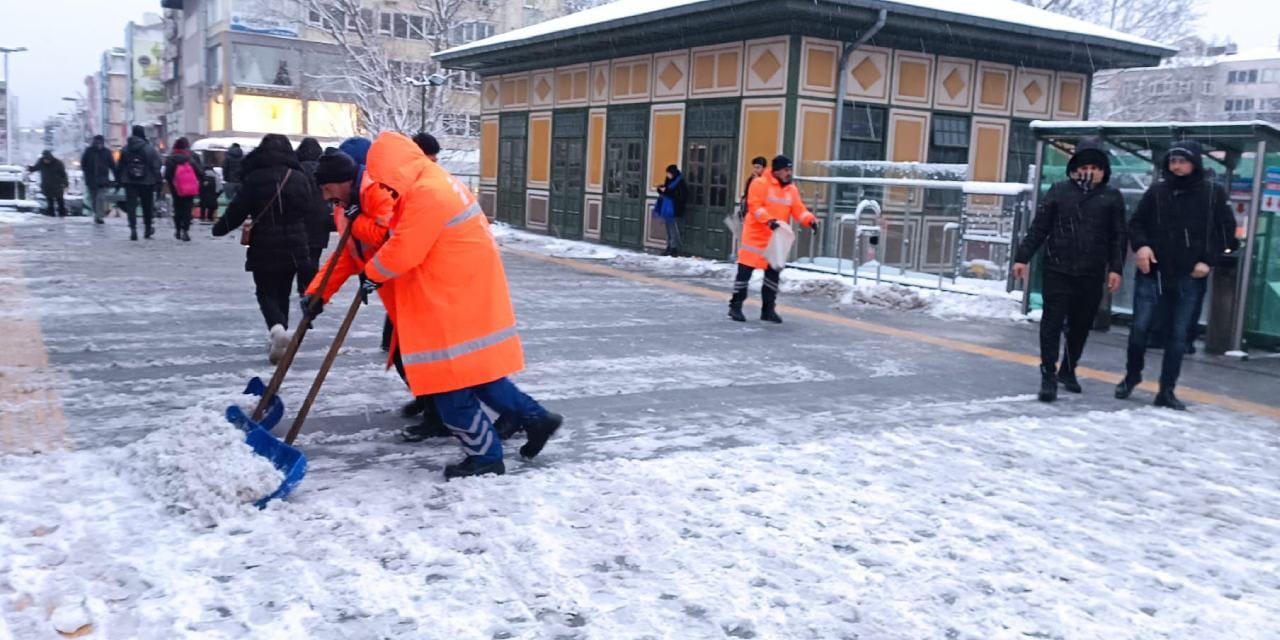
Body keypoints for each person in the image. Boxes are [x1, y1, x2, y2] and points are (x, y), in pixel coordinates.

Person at [358, 131, 562, 479]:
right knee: (477, 375)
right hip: (460, 290)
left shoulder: (427, 192)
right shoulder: (432, 182)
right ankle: (536, 418)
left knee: (447, 384)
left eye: (384, 180)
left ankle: (485, 457)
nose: (385, 188)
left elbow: (405, 247)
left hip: (448, 297)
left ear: (394, 168)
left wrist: (373, 273)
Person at [1115, 140, 1237, 410]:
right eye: (1172, 161)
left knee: (1179, 335)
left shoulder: (1212, 194)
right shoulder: (1157, 192)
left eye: (1182, 161)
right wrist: (1142, 246)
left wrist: (1209, 260)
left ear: (1195, 163)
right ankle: (1132, 374)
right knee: (1139, 329)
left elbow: (1227, 232)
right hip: (1153, 271)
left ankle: (1166, 390)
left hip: (1190, 274)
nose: (1177, 166)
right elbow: (1136, 223)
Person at [1012, 139, 1126, 402]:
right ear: (1074, 169)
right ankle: (1048, 375)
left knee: (1081, 326)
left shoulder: (1111, 197)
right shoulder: (1060, 191)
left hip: (1092, 271)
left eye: (1095, 167)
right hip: (1058, 267)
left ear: (1103, 171)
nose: (1090, 172)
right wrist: (1022, 257)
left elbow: (1118, 236)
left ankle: (1069, 369)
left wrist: (1115, 268)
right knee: (1051, 323)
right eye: (1084, 166)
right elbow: (1040, 226)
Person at [212, 134, 326, 364]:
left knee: (265, 291)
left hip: (264, 244)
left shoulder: (254, 178)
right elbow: (312, 210)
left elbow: (237, 210)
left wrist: (219, 229)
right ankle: (280, 331)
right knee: (282, 290)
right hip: (295, 245)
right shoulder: (299, 177)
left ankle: (276, 329)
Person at [729, 155, 818, 324]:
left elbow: (799, 209)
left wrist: (810, 220)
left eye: (790, 170)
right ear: (776, 170)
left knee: (772, 277)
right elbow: (754, 206)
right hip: (755, 237)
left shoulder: (791, 190)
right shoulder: (760, 183)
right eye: (786, 170)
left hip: (776, 239)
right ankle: (736, 306)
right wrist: (769, 220)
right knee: (744, 274)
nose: (789, 173)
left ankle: (768, 310)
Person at [293, 137, 331, 299]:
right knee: (315, 254)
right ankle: (312, 287)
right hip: (321, 217)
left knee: (302, 253)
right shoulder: (324, 169)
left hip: (301, 216)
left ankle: (302, 286)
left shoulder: (297, 170)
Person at [117, 125, 163, 241]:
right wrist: (158, 181)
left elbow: (120, 166)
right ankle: (147, 229)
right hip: (147, 181)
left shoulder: (126, 148)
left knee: (131, 206)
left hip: (130, 181)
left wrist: (119, 180)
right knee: (147, 206)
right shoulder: (149, 148)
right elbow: (156, 166)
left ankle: (133, 229)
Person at [163, 137, 203, 241]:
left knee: (177, 208)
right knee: (187, 209)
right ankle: (186, 230)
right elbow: (200, 172)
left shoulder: (171, 158)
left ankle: (177, 230)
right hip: (189, 189)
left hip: (176, 189)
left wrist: (173, 184)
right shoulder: (191, 158)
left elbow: (167, 175)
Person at [80, 136, 116, 224]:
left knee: (100, 198)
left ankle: (99, 216)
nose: (100, 145)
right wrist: (87, 174)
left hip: (103, 180)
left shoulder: (107, 152)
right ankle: (97, 214)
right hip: (91, 180)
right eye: (98, 143)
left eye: (101, 143)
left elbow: (112, 165)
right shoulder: (89, 151)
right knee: (94, 198)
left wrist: (116, 176)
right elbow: (83, 164)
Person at [655, 164, 687, 257]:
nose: (668, 175)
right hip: (667, 208)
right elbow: (665, 193)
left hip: (675, 209)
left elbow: (681, 196)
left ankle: (674, 248)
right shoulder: (668, 181)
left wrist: (667, 191)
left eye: (669, 173)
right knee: (669, 229)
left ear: (673, 173)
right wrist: (660, 189)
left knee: (674, 229)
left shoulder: (680, 182)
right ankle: (669, 246)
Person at [28, 150, 68, 218]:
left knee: (60, 200)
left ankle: (62, 215)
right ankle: (51, 215)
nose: (46, 161)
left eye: (47, 159)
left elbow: (63, 174)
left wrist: (65, 183)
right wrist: (29, 168)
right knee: (50, 201)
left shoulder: (58, 163)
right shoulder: (41, 162)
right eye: (45, 159)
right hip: (47, 185)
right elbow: (35, 168)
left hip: (57, 185)